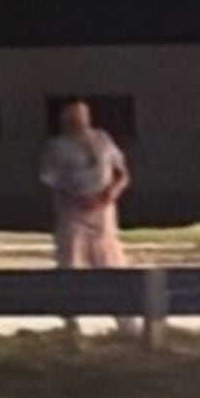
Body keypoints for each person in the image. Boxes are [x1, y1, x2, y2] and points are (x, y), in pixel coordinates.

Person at [39, 100, 131, 270]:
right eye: (73, 116)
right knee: (73, 254)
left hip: (102, 209)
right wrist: (75, 200)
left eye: (82, 115)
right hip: (73, 211)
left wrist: (109, 194)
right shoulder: (57, 147)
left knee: (106, 255)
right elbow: (51, 181)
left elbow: (121, 173)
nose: (79, 120)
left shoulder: (103, 140)